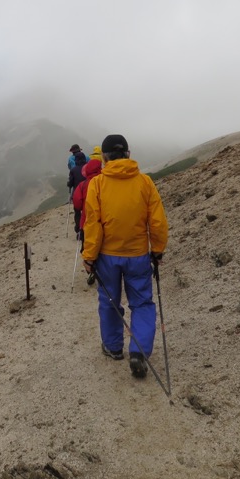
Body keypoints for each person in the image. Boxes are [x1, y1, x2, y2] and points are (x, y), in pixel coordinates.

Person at [82, 134, 169, 378]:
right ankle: (139, 351)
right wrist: (158, 249)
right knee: (141, 303)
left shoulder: (97, 185)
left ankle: (113, 348)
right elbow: (158, 221)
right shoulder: (145, 182)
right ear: (128, 154)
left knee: (109, 301)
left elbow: (93, 224)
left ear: (105, 158)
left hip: (107, 257)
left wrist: (89, 257)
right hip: (138, 255)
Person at [72, 157, 102, 247]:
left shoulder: (83, 185)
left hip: (87, 219)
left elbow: (77, 204)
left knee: (87, 247)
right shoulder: (106, 182)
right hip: (106, 220)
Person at [67, 150, 88, 232]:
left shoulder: (73, 170)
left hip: (76, 194)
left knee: (77, 211)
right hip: (87, 192)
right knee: (86, 211)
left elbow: (71, 183)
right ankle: (85, 227)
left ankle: (78, 228)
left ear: (76, 159)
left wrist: (68, 184)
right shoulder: (87, 167)